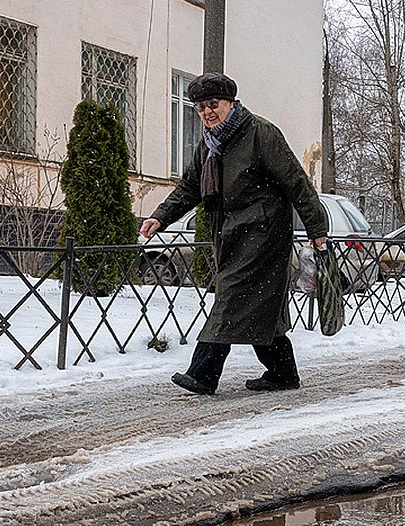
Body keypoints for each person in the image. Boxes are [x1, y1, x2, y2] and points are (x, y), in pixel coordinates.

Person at [140, 72, 328, 395]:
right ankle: (283, 372)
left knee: (231, 297)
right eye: (200, 108)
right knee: (259, 305)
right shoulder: (210, 146)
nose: (207, 112)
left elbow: (297, 182)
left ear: (230, 102)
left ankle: (203, 372)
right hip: (231, 236)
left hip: (263, 235)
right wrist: (161, 217)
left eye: (213, 104)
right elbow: (189, 188)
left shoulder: (260, 134)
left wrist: (317, 228)